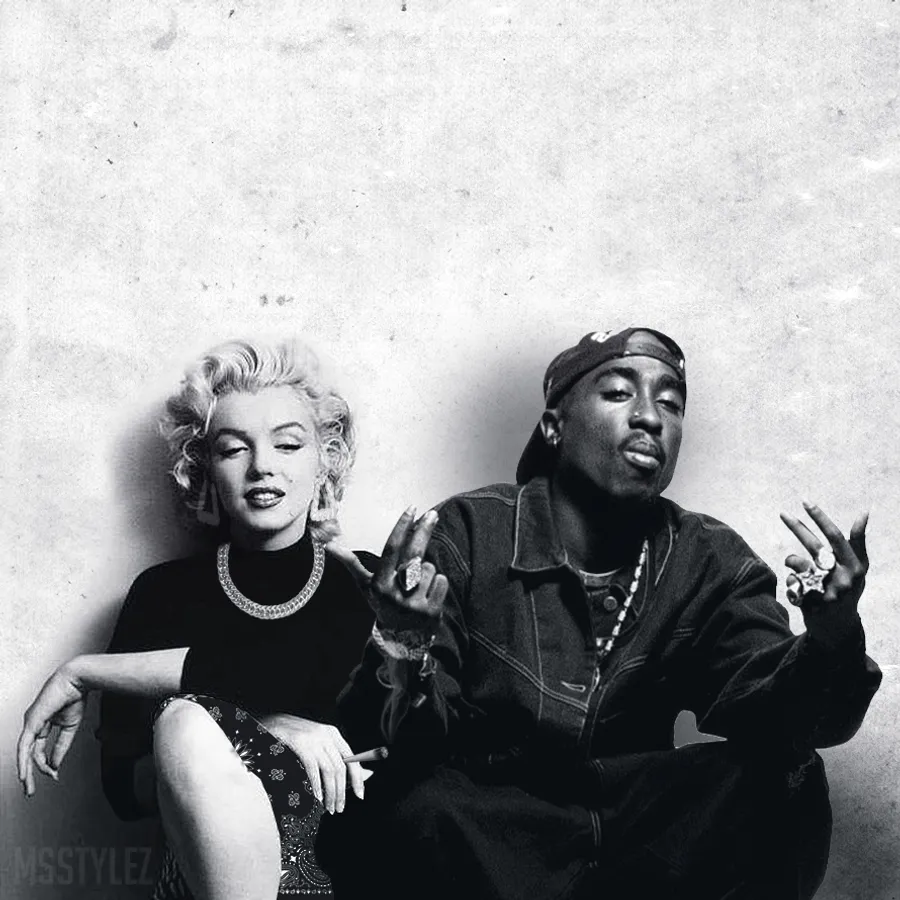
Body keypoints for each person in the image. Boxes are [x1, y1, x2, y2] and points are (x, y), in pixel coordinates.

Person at [318, 327, 882, 900]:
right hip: (494, 839)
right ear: (554, 427)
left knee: (787, 776)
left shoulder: (709, 556)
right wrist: (402, 646)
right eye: (618, 393)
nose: (650, 417)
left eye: (671, 403)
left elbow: (789, 721)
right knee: (407, 802)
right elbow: (394, 738)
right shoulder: (468, 531)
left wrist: (832, 636)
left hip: (639, 843)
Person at [17, 338, 377, 900]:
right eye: (233, 449)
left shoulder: (365, 586)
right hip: (205, 881)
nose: (263, 467)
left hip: (355, 868)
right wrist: (259, 735)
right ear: (203, 468)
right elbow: (127, 790)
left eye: (288, 444)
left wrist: (85, 671)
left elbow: (388, 754)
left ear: (324, 461)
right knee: (185, 724)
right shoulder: (163, 596)